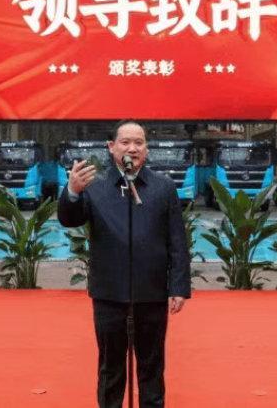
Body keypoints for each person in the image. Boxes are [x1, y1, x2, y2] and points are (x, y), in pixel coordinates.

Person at [58, 120, 191, 408]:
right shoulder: (95, 186)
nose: (132, 148)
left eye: (139, 143)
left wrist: (178, 286)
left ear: (146, 149)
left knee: (151, 366)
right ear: (111, 147)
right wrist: (72, 192)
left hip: (152, 293)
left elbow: (177, 240)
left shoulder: (163, 187)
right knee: (111, 366)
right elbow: (70, 219)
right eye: (125, 142)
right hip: (109, 294)